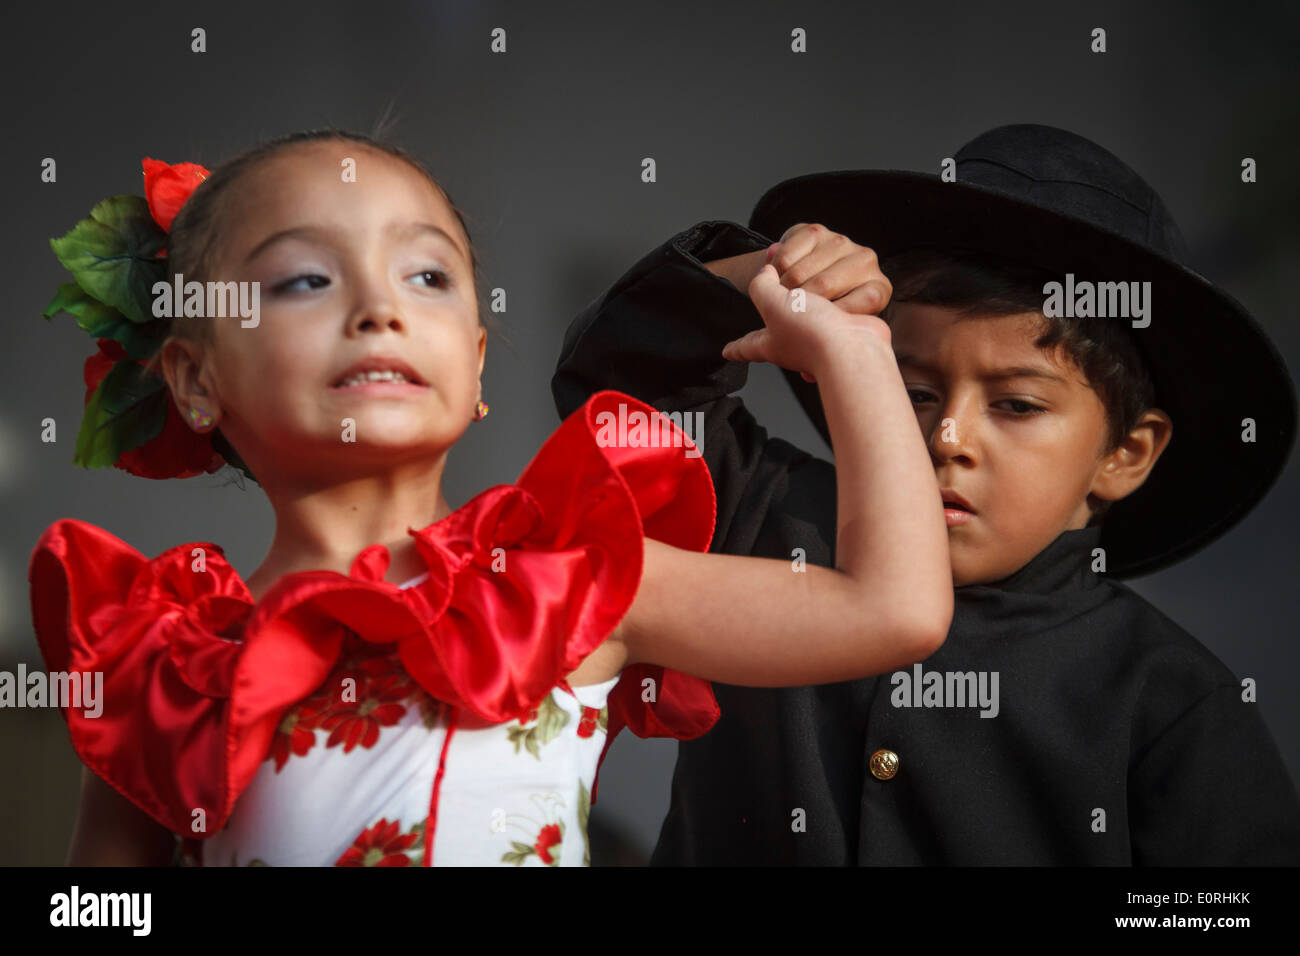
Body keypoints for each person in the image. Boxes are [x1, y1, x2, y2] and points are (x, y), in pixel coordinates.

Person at [29, 128, 952, 866]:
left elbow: (894, 609)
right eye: (305, 279)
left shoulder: (576, 581)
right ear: (194, 381)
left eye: (426, 276)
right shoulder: (160, 658)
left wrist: (852, 350)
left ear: (473, 369)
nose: (378, 308)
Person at [552, 123, 1300, 865]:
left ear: (1126, 453)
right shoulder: (763, 514)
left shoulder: (1170, 702)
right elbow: (619, 397)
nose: (949, 438)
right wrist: (762, 278)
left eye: (1016, 405)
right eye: (912, 391)